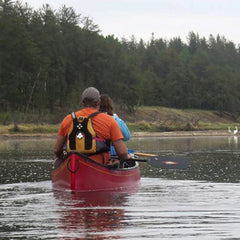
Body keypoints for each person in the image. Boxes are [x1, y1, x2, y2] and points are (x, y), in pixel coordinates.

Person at [53, 87, 130, 166]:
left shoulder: (68, 119)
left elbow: (57, 150)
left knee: (57, 162)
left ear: (82, 102)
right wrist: (126, 157)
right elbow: (122, 152)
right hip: (99, 164)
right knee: (117, 162)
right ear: (99, 103)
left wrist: (62, 157)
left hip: (73, 163)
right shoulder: (110, 120)